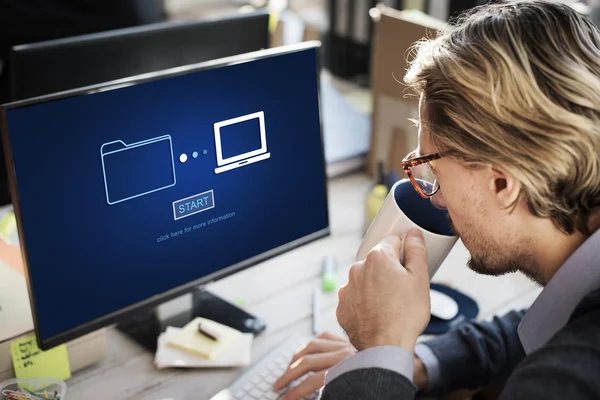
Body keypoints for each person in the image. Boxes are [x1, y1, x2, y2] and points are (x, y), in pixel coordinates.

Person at [273, 0, 600, 398]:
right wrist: (410, 362)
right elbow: (539, 327)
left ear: (503, 184)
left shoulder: (565, 383)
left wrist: (381, 347)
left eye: (433, 170)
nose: (437, 199)